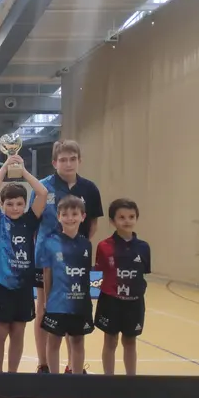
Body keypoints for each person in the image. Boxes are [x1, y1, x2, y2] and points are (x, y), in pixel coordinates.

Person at [32, 140, 102, 374]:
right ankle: (44, 364)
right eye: (63, 159)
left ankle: (74, 367)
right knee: (44, 308)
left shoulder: (89, 189)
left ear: (79, 161)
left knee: (75, 306)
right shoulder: (43, 187)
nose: (68, 163)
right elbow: (34, 222)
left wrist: (78, 250)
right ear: (54, 163)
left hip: (75, 259)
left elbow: (92, 225)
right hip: (47, 257)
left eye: (73, 159)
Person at [0, 155, 48, 373]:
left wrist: (23, 171)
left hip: (22, 286)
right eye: (9, 204)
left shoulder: (30, 221)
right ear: (2, 205)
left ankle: (12, 376)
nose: (14, 207)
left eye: (19, 203)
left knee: (18, 333)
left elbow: (42, 193)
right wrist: (5, 166)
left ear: (25, 204)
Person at [94, 199, 151, 376]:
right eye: (122, 217)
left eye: (131, 216)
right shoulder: (104, 246)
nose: (127, 221)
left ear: (136, 218)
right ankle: (108, 380)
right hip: (111, 301)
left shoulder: (143, 247)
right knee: (110, 341)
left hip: (134, 303)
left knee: (130, 341)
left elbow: (143, 272)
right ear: (112, 221)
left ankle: (130, 380)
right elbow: (101, 271)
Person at [40, 196, 94, 374]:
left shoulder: (86, 244)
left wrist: (87, 301)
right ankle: (54, 381)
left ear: (83, 216)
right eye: (65, 214)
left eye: (74, 214)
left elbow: (85, 275)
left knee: (78, 341)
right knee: (54, 341)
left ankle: (76, 379)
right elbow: (47, 273)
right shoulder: (50, 242)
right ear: (58, 216)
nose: (70, 218)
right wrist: (47, 299)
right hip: (57, 302)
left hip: (80, 303)